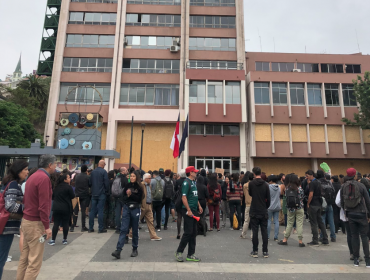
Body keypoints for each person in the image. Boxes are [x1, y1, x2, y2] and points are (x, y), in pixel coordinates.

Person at [16, 155, 56, 280]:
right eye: (55, 164)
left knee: (25, 259)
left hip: (27, 220)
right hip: (35, 223)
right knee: (34, 262)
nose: (56, 166)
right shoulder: (44, 178)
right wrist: (46, 226)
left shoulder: (33, 176)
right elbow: (43, 205)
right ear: (50, 165)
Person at [0, 160, 28, 279]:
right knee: (1, 258)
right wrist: (26, 208)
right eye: (25, 169)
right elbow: (9, 205)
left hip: (4, 226)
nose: (27, 172)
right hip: (6, 227)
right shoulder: (13, 184)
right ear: (18, 171)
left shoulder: (7, 182)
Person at [341, 168, 370, 267]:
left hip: (350, 213)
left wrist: (346, 212)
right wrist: (368, 214)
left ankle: (356, 259)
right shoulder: (361, 185)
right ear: (355, 175)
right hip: (361, 213)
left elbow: (342, 201)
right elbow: (367, 200)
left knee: (354, 236)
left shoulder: (343, 186)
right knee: (364, 236)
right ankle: (367, 260)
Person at [112, 172, 144, 259]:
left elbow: (139, 199)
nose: (132, 178)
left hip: (135, 208)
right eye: (131, 176)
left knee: (134, 229)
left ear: (137, 177)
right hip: (127, 208)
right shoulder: (127, 185)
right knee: (123, 229)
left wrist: (131, 195)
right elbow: (123, 198)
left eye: (134, 176)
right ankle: (118, 250)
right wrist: (127, 197)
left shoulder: (139, 187)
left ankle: (134, 249)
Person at [175, 166, 203, 262]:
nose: (196, 173)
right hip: (188, 211)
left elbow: (194, 195)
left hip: (194, 209)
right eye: (194, 172)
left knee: (194, 232)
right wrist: (188, 210)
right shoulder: (186, 183)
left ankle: (191, 254)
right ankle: (179, 252)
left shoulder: (193, 182)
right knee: (188, 232)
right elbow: (184, 197)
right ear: (190, 173)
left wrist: (199, 205)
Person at [249, 166, 270, 258]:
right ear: (260, 173)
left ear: (254, 173)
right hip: (263, 210)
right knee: (264, 231)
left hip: (254, 209)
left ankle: (255, 250)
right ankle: (265, 251)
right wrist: (266, 207)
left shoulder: (251, 184)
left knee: (255, 231)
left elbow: (250, 193)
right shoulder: (266, 184)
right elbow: (268, 198)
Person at [48, 173, 75, 246]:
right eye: (68, 178)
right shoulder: (69, 187)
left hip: (56, 207)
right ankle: (64, 239)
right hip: (66, 207)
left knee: (56, 223)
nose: (70, 179)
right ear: (65, 179)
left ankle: (53, 240)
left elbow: (52, 196)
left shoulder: (56, 187)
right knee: (65, 223)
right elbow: (73, 196)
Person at [278, 175, 305, 247]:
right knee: (299, 224)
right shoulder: (300, 189)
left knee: (289, 224)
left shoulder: (287, 189)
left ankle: (285, 240)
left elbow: (286, 198)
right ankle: (300, 241)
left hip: (290, 209)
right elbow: (302, 198)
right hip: (299, 208)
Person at [306, 170, 328, 246]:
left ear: (311, 175)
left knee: (314, 222)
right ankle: (325, 238)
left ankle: (315, 239)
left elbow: (311, 194)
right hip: (319, 203)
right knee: (320, 221)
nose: (307, 177)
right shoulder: (318, 182)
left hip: (313, 204)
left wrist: (308, 203)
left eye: (307, 176)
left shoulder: (312, 183)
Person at [88, 160, 110, 233]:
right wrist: (107, 191)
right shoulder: (104, 172)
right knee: (100, 211)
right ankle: (101, 228)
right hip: (101, 193)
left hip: (94, 193)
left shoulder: (93, 172)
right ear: (103, 165)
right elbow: (106, 183)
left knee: (92, 211)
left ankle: (90, 228)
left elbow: (90, 182)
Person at [140, 173, 162, 241]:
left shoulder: (149, 185)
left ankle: (153, 235)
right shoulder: (141, 185)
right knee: (136, 220)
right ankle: (130, 233)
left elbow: (150, 195)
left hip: (149, 205)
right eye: (149, 178)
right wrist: (141, 205)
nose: (150, 179)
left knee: (150, 221)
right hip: (143, 205)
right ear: (145, 179)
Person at [317, 170, 336, 242]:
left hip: (322, 204)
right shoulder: (329, 182)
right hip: (330, 203)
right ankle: (333, 236)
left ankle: (322, 235)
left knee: (322, 220)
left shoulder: (318, 183)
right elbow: (333, 191)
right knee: (331, 220)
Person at [74, 165, 90, 232]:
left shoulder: (77, 176)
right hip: (84, 195)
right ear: (86, 170)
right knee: (83, 211)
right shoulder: (87, 177)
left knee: (75, 210)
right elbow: (89, 185)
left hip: (77, 194)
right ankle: (83, 226)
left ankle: (73, 225)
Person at [267, 175, 281, 241]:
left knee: (269, 220)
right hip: (277, 206)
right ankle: (276, 237)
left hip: (269, 206)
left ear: (271, 180)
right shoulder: (279, 187)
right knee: (276, 221)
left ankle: (267, 236)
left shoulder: (268, 187)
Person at [115, 167, 129, 233]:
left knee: (117, 212)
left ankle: (118, 227)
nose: (127, 171)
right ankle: (123, 226)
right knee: (125, 212)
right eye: (126, 170)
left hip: (117, 196)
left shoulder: (116, 178)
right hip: (123, 197)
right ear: (123, 171)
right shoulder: (125, 179)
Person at [175, 169, 186, 239]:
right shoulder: (187, 181)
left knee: (179, 217)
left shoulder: (177, 181)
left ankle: (178, 232)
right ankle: (185, 232)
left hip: (179, 200)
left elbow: (175, 189)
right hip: (186, 200)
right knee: (186, 217)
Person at [240, 173, 252, 239]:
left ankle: (243, 234)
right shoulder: (254, 185)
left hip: (247, 203)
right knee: (253, 220)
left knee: (246, 220)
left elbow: (244, 194)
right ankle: (252, 235)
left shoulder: (244, 185)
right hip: (254, 203)